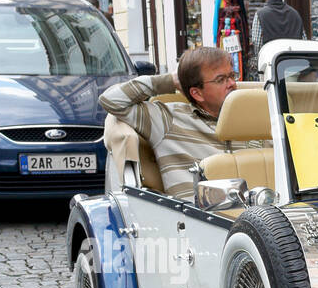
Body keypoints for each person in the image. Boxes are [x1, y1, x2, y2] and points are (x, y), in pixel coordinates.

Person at [99, 46, 262, 200]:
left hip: (261, 218)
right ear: (197, 93)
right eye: (221, 80)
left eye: (232, 76)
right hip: (199, 220)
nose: (232, 84)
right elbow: (111, 100)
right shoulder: (168, 118)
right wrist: (170, 81)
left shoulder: (251, 119)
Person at [249, 0, 306, 69]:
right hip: (295, 64)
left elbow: (257, 44)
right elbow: (303, 40)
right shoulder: (295, 13)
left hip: (272, 65)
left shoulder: (260, 15)